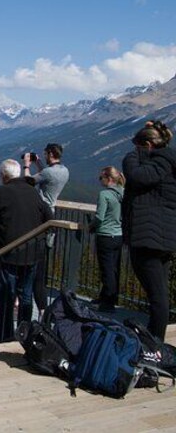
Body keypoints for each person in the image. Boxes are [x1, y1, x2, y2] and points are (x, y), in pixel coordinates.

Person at [0, 159, 52, 342]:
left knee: (5, 296)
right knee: (26, 296)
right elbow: (49, 217)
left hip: (7, 253)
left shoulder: (1, 192)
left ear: (3, 176)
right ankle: (24, 334)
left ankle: (4, 334)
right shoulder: (32, 192)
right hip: (32, 253)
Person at [122, 120, 176, 341]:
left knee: (157, 296)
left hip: (148, 238)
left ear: (147, 145)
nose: (134, 150)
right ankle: (155, 342)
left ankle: (156, 347)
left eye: (138, 146)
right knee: (158, 293)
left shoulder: (155, 165)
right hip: (162, 238)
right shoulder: (167, 164)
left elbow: (136, 176)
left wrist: (132, 156)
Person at [23, 143, 69, 314]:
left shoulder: (48, 172)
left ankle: (25, 303)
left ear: (50, 153)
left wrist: (27, 165)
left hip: (39, 215)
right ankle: (42, 308)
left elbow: (28, 182)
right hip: (51, 213)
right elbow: (47, 177)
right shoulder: (64, 171)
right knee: (41, 266)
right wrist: (39, 164)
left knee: (31, 263)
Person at [90, 166, 125, 313]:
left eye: (101, 178)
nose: (100, 180)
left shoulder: (104, 194)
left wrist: (91, 226)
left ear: (108, 179)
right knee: (114, 269)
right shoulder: (123, 193)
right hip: (119, 235)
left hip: (105, 235)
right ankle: (107, 297)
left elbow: (100, 217)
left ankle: (107, 304)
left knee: (107, 270)